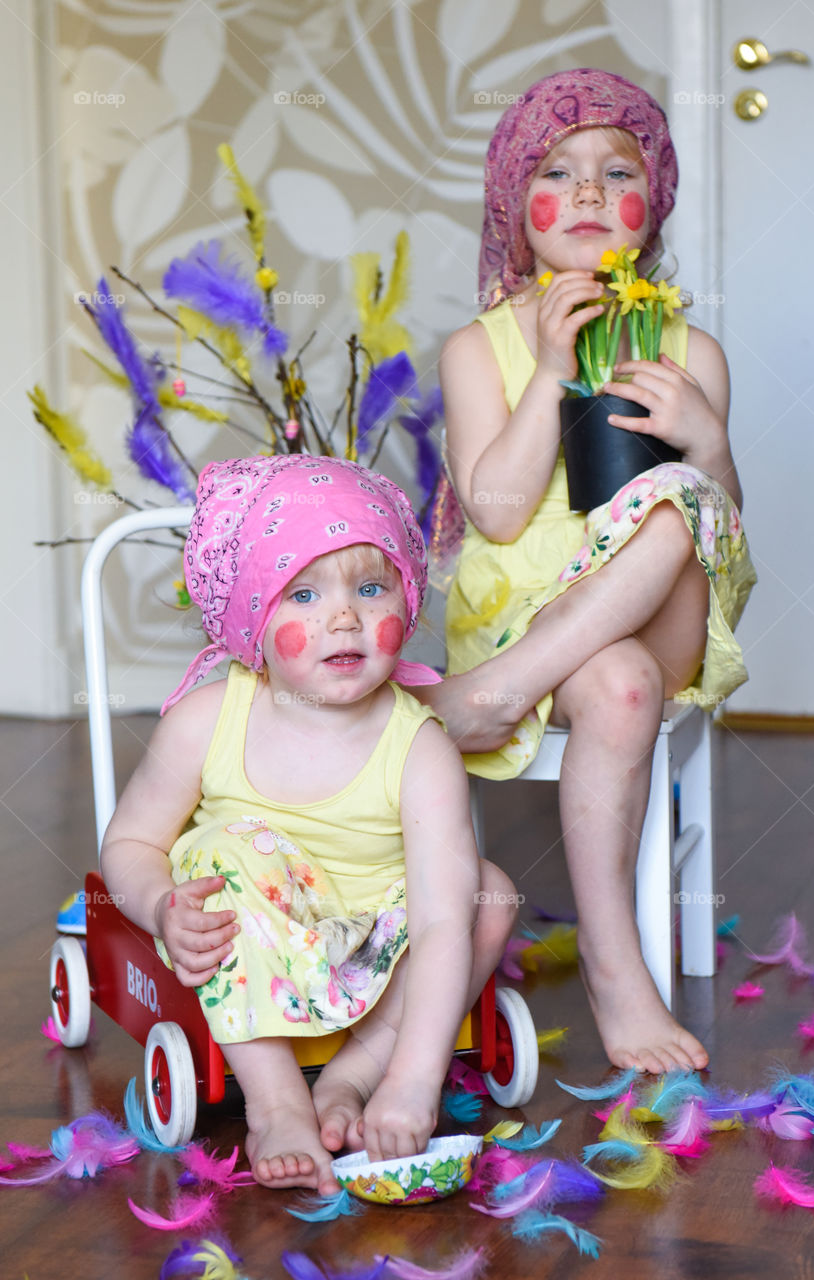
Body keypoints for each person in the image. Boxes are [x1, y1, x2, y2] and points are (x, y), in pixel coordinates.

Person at [424, 68, 756, 1076]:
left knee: (674, 507)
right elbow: (492, 509)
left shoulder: (687, 344)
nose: (581, 191)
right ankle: (618, 972)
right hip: (534, 612)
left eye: (613, 171)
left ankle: (493, 695)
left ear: (646, 205)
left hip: (652, 608)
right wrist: (551, 375)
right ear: (510, 208)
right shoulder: (475, 348)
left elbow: (723, 521)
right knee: (615, 683)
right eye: (554, 172)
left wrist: (703, 439)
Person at [100, 454, 517, 1193]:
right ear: (251, 620)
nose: (344, 617)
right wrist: (162, 908)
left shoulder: (418, 748)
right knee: (219, 856)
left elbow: (440, 922)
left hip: (371, 941)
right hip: (251, 934)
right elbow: (132, 843)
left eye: (369, 587)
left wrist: (415, 1084)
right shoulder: (207, 722)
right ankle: (276, 1099)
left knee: (486, 895)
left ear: (406, 598)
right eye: (301, 594)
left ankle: (353, 1075)